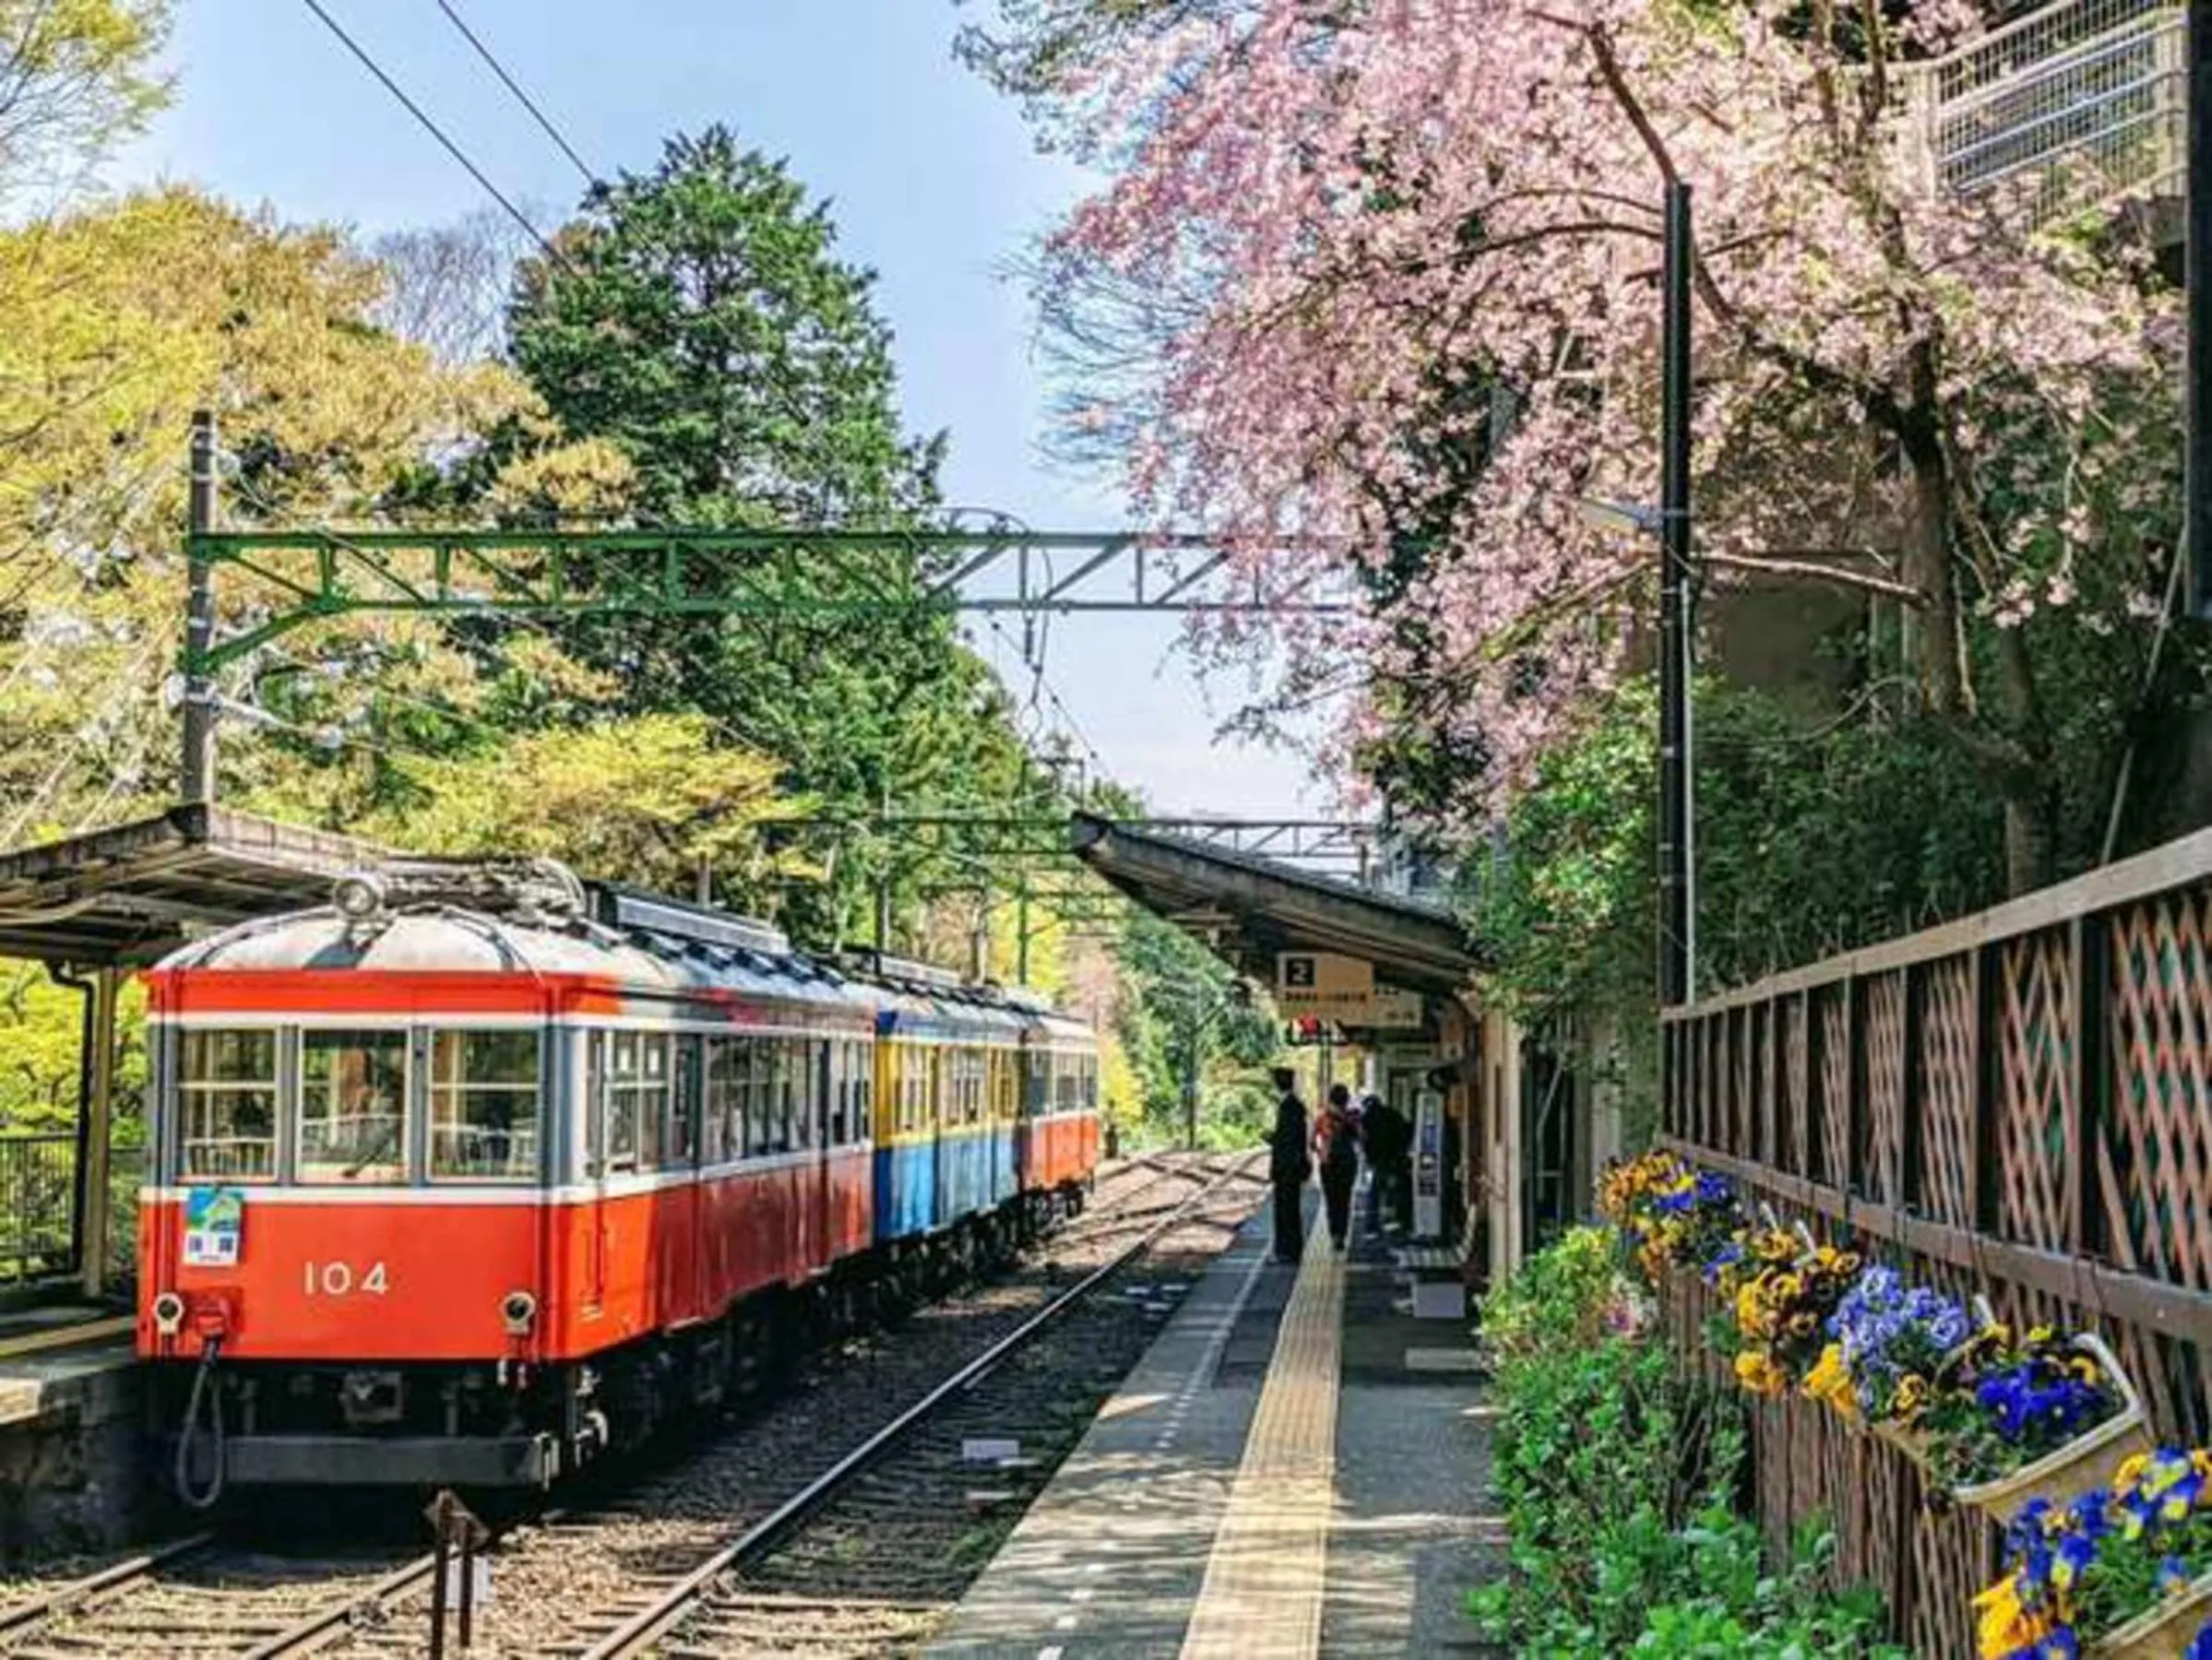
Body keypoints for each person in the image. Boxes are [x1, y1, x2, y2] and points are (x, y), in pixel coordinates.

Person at [1264, 1066, 1309, 1263]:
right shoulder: (1295, 1105)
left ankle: (1286, 1251)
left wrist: (1272, 1138)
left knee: (1285, 1211)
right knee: (1289, 1210)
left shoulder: (1289, 1106)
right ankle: (1290, 1250)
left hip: (1287, 1169)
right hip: (1292, 1167)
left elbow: (1288, 1139)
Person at [1314, 1083, 1360, 1251]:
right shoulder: (1352, 1117)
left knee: (1331, 1200)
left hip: (1328, 1163)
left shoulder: (1322, 1117)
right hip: (1348, 1162)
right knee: (1344, 1199)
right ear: (1346, 1100)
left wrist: (1322, 1153)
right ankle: (1341, 1235)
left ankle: (1335, 1235)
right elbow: (1360, 1137)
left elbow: (1313, 1141)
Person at [1360, 1092, 1410, 1234]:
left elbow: (1365, 1141)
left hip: (1378, 1160)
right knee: (1399, 1189)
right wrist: (1401, 1153)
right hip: (1395, 1159)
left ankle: (1372, 1224)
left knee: (1374, 1193)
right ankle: (1403, 1220)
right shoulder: (1394, 1114)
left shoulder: (1366, 1118)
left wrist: (1369, 1159)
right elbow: (1405, 1133)